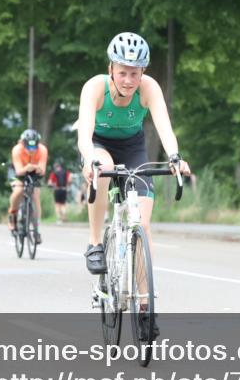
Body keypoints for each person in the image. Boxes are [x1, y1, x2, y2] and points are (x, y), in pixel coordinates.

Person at [77, 32, 190, 338]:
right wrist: (89, 159)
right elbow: (84, 133)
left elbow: (164, 126)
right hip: (99, 144)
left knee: (143, 221)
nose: (129, 80)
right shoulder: (95, 87)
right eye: (123, 72)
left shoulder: (149, 88)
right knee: (104, 169)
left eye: (135, 73)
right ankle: (95, 243)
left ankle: (144, 306)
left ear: (143, 72)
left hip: (133, 146)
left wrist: (175, 157)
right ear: (111, 68)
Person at [8, 129, 48, 240]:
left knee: (35, 196)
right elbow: (19, 171)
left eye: (34, 147)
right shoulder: (17, 149)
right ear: (23, 143)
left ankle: (36, 228)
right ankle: (13, 215)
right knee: (18, 191)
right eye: (29, 147)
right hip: (18, 171)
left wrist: (36, 168)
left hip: (33, 171)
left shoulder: (43, 150)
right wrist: (27, 167)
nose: (32, 150)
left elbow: (42, 170)